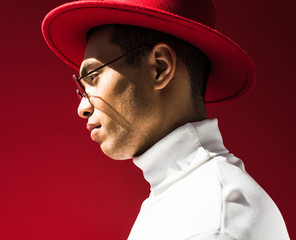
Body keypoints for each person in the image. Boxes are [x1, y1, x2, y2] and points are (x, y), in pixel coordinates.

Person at [41, 0, 290, 239]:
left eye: (93, 77)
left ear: (159, 67)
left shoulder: (212, 221)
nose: (82, 107)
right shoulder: (182, 197)